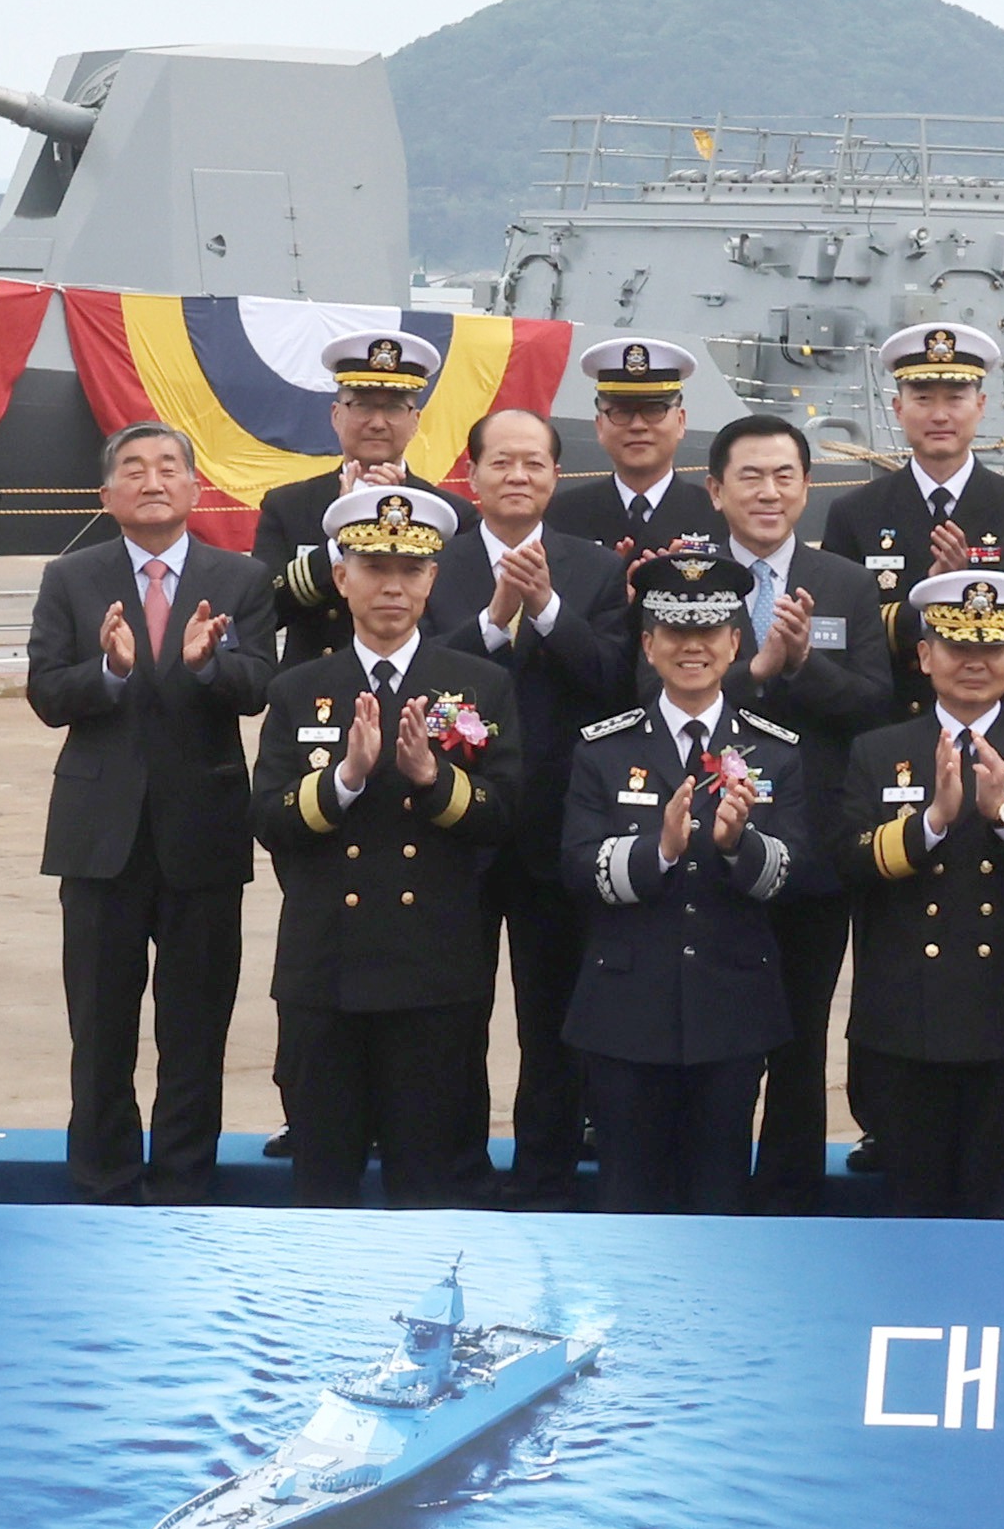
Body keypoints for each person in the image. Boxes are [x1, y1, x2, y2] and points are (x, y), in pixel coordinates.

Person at [251, 484, 522, 1207]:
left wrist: (433, 780)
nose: (392, 586)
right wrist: (345, 777)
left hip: (431, 971)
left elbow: (504, 814)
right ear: (341, 578)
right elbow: (270, 819)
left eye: (410, 569)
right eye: (374, 568)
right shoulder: (298, 688)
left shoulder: (478, 685)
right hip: (325, 967)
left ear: (433, 579)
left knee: (430, 1182)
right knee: (323, 1181)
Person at [27, 422, 273, 1201]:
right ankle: (101, 1181)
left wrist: (208, 665)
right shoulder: (71, 577)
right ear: (107, 495)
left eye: (169, 466)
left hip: (203, 832)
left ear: (196, 488)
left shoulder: (240, 578)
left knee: (195, 1030)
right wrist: (107, 669)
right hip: (100, 839)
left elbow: (259, 684)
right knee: (99, 1029)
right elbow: (45, 693)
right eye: (133, 469)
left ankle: (183, 1185)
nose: (153, 479)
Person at [836, 559, 1004, 1217]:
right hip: (907, 1024)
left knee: (1002, 1205)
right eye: (956, 644)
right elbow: (847, 859)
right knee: (912, 1207)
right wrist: (931, 823)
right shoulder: (878, 749)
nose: (972, 660)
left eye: (991, 646)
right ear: (924, 655)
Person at [563, 561, 809, 1214]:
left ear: (736, 643)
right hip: (625, 1013)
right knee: (626, 1200)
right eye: (673, 630)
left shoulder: (774, 751)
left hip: (731, 1011)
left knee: (718, 1197)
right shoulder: (602, 749)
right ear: (648, 644)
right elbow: (579, 867)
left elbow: (790, 871)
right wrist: (660, 850)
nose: (692, 646)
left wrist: (736, 844)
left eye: (711, 631)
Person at [708, 410, 891, 1207]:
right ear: (714, 488)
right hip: (712, 841)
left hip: (813, 845)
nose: (768, 491)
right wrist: (755, 668)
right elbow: (659, 693)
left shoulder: (845, 582)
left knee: (800, 1036)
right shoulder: (687, 578)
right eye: (749, 475)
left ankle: (789, 1194)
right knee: (717, 1033)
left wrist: (804, 665)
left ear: (807, 486)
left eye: (784, 475)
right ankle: (710, 1184)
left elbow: (876, 704)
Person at [452, 405, 632, 1209]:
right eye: (501, 462)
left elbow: (619, 679)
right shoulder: (438, 561)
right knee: (451, 1016)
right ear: (473, 475)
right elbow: (423, 669)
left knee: (552, 1021)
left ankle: (545, 1177)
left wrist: (550, 609)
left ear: (557, 475)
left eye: (534, 462)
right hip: (455, 825)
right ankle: (453, 1172)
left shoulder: (593, 568)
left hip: (558, 830)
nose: (517, 475)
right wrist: (496, 616)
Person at [820, 320, 1004, 708]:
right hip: (888, 725)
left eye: (956, 398)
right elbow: (836, 633)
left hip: (991, 726)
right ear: (898, 408)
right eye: (923, 398)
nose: (940, 415)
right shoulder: (855, 514)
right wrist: (923, 608)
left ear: (980, 406)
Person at [252, 330, 440, 668]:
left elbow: (449, 620)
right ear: (336, 415)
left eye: (395, 408)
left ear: (415, 421)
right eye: (363, 405)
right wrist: (341, 539)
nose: (377, 423)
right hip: (311, 695)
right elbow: (262, 610)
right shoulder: (289, 506)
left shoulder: (447, 513)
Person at [555, 336, 721, 570]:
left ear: (681, 422)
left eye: (655, 410)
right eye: (621, 412)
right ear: (600, 426)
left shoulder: (719, 516)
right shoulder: (562, 516)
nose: (638, 425)